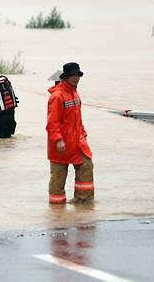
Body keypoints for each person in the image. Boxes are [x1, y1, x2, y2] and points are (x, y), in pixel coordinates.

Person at [46, 62, 94, 204]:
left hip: (77, 142)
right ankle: (57, 212)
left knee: (87, 166)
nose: (75, 78)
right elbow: (52, 123)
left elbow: (77, 119)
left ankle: (84, 203)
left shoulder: (74, 93)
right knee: (58, 178)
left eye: (77, 75)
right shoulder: (57, 96)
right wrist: (58, 140)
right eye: (72, 75)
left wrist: (83, 134)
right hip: (61, 144)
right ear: (65, 77)